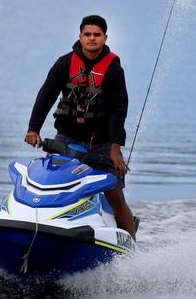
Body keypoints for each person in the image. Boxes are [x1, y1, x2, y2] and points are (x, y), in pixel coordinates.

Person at [24, 15, 136, 239]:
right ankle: (45, 228)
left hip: (104, 144)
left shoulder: (113, 70)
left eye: (97, 35)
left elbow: (119, 110)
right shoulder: (65, 63)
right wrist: (33, 128)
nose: (92, 39)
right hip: (67, 139)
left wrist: (115, 148)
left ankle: (131, 247)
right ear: (80, 37)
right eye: (88, 34)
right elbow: (46, 95)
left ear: (105, 38)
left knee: (115, 197)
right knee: (51, 185)